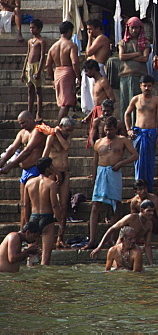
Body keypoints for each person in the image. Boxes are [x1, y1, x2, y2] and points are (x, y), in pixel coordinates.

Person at [86, 117, 137, 249]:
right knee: (95, 205)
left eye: (111, 129)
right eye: (106, 129)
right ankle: (92, 240)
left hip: (114, 173)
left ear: (116, 129)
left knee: (117, 205)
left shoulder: (122, 140)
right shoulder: (98, 142)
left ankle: (112, 238)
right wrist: (94, 178)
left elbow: (135, 155)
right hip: (101, 173)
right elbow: (95, 161)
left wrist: (120, 163)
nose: (108, 132)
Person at [124, 74, 158, 189]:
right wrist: (128, 130)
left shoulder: (157, 100)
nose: (147, 88)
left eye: (149, 86)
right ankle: (138, 186)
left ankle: (148, 187)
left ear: (153, 87)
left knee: (149, 161)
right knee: (138, 160)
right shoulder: (136, 99)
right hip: (138, 133)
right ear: (140, 86)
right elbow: (127, 114)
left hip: (151, 134)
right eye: (145, 86)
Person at [89, 199, 157, 266]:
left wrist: (152, 264)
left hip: (132, 248)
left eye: (152, 211)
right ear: (142, 210)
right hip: (121, 247)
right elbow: (112, 229)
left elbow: (147, 246)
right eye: (149, 211)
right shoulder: (131, 218)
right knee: (118, 269)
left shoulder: (149, 224)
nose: (152, 213)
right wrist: (99, 247)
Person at [43, 117, 76, 247]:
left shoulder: (67, 137)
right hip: (52, 173)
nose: (68, 132)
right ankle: (46, 237)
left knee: (63, 206)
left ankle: (60, 238)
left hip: (65, 173)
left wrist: (58, 132)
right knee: (50, 205)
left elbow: (66, 147)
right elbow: (44, 157)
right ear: (61, 126)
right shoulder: (51, 138)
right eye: (67, 130)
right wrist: (53, 173)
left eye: (70, 131)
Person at [23, 157, 59, 265]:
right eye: (51, 166)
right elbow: (54, 204)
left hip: (33, 217)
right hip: (47, 217)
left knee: (31, 255)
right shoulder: (51, 184)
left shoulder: (28, 183)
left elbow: (25, 205)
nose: (53, 168)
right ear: (47, 168)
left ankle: (30, 278)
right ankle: (43, 281)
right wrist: (60, 220)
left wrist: (27, 222)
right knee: (46, 256)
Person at [45, 20, 80, 118]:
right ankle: (58, 126)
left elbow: (48, 65)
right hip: (67, 73)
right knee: (65, 103)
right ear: (69, 31)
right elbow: (74, 62)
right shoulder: (71, 45)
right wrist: (79, 77)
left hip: (57, 72)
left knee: (63, 102)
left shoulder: (53, 47)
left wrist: (53, 78)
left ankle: (62, 125)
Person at [118, 17, 150, 118]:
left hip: (139, 76)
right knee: (125, 102)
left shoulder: (145, 43)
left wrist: (129, 57)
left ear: (140, 29)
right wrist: (136, 54)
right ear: (128, 28)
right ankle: (126, 127)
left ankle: (137, 126)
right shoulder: (123, 42)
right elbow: (121, 56)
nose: (134, 30)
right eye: (132, 28)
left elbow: (145, 58)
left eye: (136, 28)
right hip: (125, 76)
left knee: (139, 103)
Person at [20, 19, 46, 118]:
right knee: (30, 91)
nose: (31, 30)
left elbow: (43, 56)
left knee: (38, 91)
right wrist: (23, 71)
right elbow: (27, 55)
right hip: (29, 67)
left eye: (33, 28)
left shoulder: (41, 41)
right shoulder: (30, 41)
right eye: (30, 28)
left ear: (39, 29)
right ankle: (29, 113)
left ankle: (38, 113)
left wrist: (39, 71)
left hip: (37, 66)